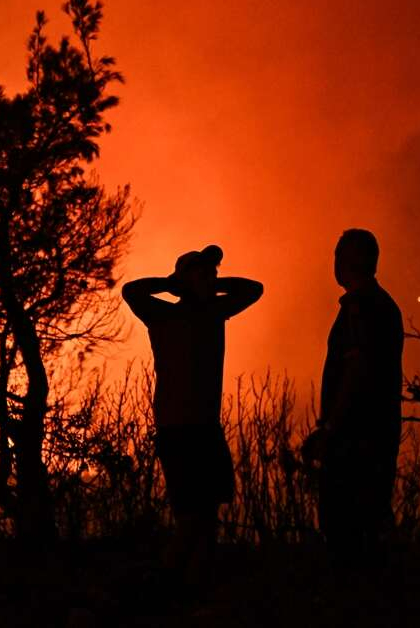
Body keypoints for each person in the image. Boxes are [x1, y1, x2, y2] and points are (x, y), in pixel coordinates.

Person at [121, 245, 262, 586]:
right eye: (205, 272)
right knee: (189, 518)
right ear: (184, 277)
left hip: (206, 428)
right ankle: (167, 585)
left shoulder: (215, 310)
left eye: (213, 274)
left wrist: (208, 285)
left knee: (208, 514)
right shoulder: (162, 314)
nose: (212, 277)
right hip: (177, 429)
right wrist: (175, 284)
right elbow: (132, 290)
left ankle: (197, 586)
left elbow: (254, 289)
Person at [302, 228, 403, 568]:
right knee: (368, 525)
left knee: (346, 531)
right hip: (373, 434)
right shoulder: (380, 305)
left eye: (338, 255)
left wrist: (330, 428)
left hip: (355, 439)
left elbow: (356, 372)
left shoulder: (363, 308)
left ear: (347, 261)